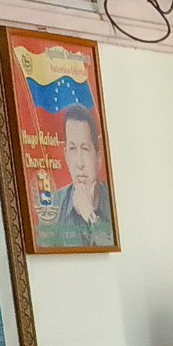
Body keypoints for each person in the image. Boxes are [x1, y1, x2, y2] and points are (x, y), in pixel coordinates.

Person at [40, 107, 114, 249]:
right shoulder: (52, 207)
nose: (79, 163)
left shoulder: (114, 203)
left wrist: (89, 214)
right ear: (66, 156)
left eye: (85, 149)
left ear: (98, 158)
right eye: (72, 149)